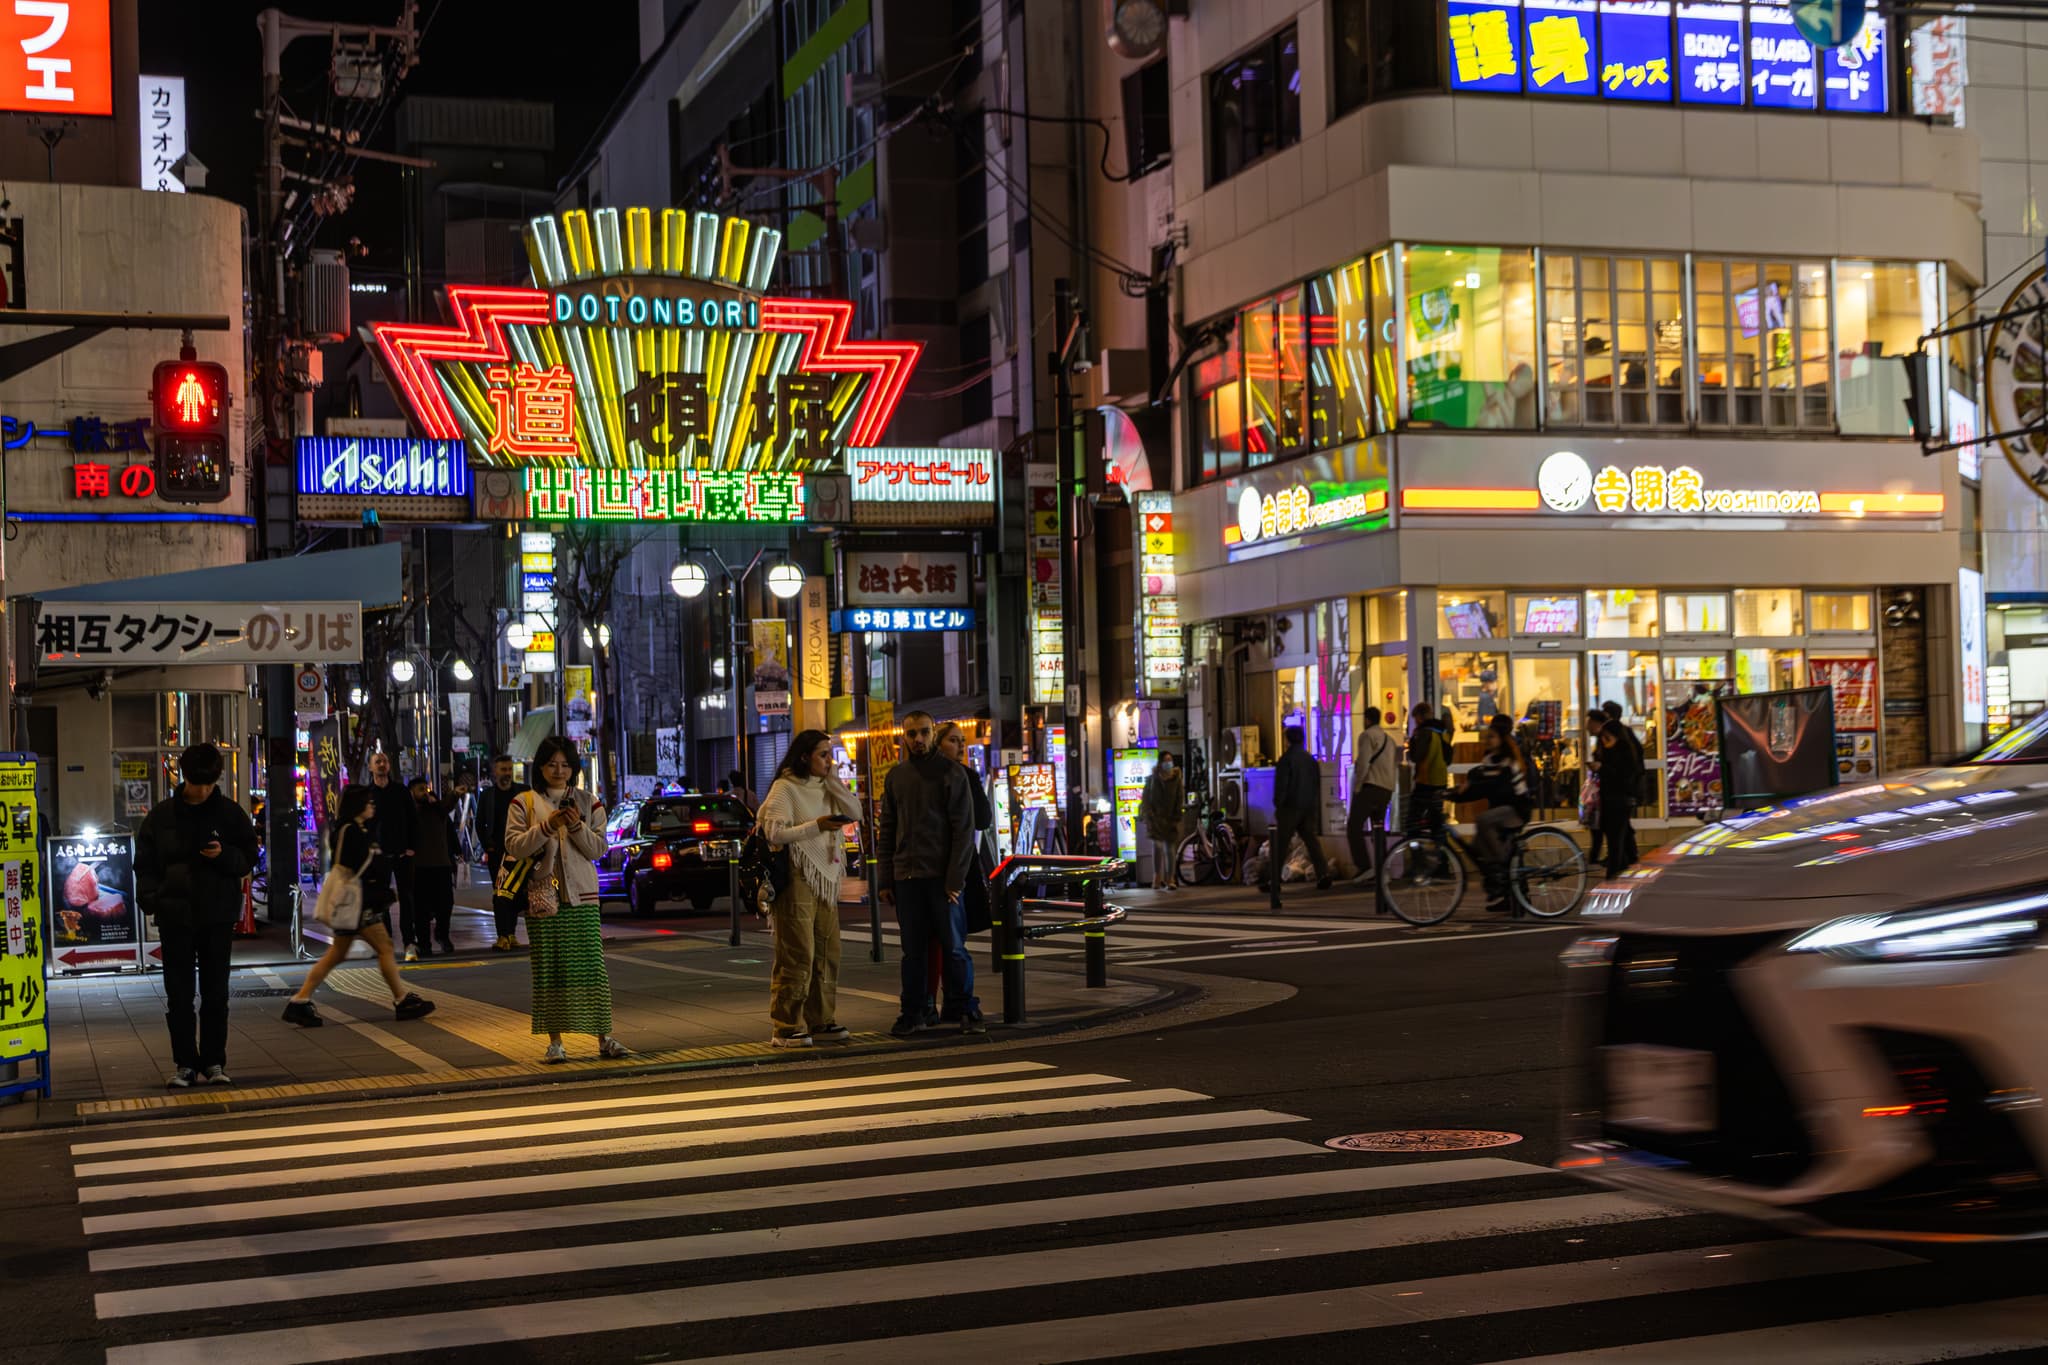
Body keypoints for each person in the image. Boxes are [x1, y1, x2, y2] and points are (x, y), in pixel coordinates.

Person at [134, 743, 260, 1087]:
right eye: (197, 783)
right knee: (179, 995)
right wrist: (154, 900)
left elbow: (248, 855)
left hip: (217, 914)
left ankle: (214, 1062)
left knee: (216, 993)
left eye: (208, 784)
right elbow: (144, 864)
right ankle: (185, 1064)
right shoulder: (162, 816)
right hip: (175, 915)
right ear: (184, 777)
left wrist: (224, 855)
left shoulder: (230, 814)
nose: (203, 791)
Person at [503, 736, 628, 1062]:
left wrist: (574, 826)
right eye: (552, 764)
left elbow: (598, 849)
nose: (559, 771)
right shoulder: (523, 803)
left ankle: (604, 1037)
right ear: (540, 767)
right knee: (549, 971)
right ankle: (555, 1042)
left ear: (574, 768)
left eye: (565, 765)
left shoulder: (589, 803)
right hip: (543, 899)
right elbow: (514, 846)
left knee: (592, 970)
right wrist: (547, 827)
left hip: (583, 897)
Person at [282, 784, 435, 1028]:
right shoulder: (349, 830)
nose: (372, 806)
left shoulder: (356, 828)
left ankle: (299, 1001)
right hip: (356, 902)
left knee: (337, 954)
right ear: (358, 805)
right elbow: (350, 865)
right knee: (384, 947)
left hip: (355, 902)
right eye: (368, 802)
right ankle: (401, 999)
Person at [756, 728, 861, 1048]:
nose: (829, 761)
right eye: (823, 755)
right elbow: (774, 832)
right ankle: (786, 1025)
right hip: (797, 874)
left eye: (830, 755)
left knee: (828, 951)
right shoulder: (785, 788)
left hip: (825, 877)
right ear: (805, 757)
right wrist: (817, 826)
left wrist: (835, 782)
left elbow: (855, 813)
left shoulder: (826, 785)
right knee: (798, 952)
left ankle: (821, 1019)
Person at [877, 709, 977, 1038]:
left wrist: (955, 880)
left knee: (954, 947)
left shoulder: (952, 773)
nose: (918, 739)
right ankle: (914, 1011)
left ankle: (964, 1007)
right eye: (912, 733)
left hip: (941, 877)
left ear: (933, 733)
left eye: (923, 732)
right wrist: (885, 879)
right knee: (913, 951)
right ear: (903, 736)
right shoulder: (897, 776)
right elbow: (887, 829)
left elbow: (964, 830)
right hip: (908, 876)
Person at [926, 722, 995, 1022]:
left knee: (953, 941)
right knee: (934, 941)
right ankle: (933, 1003)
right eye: (953, 740)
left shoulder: (967, 776)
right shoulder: (919, 775)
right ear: (938, 743)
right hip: (930, 866)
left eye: (962, 740)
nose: (961, 746)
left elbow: (983, 819)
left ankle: (956, 1002)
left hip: (961, 866)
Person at [1449, 726, 1533, 912]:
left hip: (1516, 809)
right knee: (1477, 846)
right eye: (1486, 737)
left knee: (1483, 820)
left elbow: (1494, 787)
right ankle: (1502, 887)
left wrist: (1471, 787)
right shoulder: (1489, 760)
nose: (1487, 740)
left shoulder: (1509, 762)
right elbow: (1480, 785)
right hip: (1500, 810)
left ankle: (1503, 865)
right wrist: (1454, 795)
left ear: (1501, 739)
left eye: (1492, 737)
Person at [1263, 725, 1332, 909]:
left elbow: (1281, 786)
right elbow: (1317, 784)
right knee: (1312, 841)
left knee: (1280, 844)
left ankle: (1274, 881)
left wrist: (1278, 804)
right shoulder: (1310, 760)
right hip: (1308, 806)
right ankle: (1323, 874)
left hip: (1290, 807)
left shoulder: (1286, 759)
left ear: (1287, 740)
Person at [364, 749, 419, 958]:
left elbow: (413, 819)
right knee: (381, 900)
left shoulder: (401, 791)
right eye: (377, 761)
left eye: (384, 761)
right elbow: (364, 825)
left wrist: (412, 846)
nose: (382, 764)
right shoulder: (368, 794)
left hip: (403, 853)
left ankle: (409, 942)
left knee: (407, 898)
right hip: (379, 855)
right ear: (370, 767)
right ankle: (385, 942)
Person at [474, 755, 529, 951]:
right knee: (500, 893)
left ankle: (510, 933)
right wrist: (488, 846)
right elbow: (479, 823)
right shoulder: (488, 795)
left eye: (509, 769)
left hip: (520, 851)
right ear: (494, 772)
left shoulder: (523, 791)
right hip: (497, 852)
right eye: (503, 769)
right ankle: (503, 935)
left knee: (517, 892)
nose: (507, 773)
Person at [1348, 708, 1400, 884]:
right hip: (1386, 789)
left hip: (1370, 787)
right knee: (1378, 829)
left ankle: (1364, 867)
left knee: (1354, 827)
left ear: (1367, 719)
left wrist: (1357, 786)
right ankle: (1382, 869)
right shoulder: (1389, 740)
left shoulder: (1366, 736)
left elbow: (1363, 763)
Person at [409, 776, 456, 955]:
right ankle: (424, 942)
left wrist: (454, 794)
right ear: (412, 792)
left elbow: (447, 805)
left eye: (426, 788)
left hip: (441, 864)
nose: (425, 792)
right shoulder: (411, 811)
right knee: (421, 908)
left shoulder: (437, 809)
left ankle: (442, 935)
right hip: (419, 866)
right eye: (420, 789)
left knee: (445, 904)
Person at [1598, 701, 1643, 876]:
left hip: (1621, 793)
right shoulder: (1622, 734)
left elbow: (1625, 768)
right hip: (1623, 792)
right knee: (1623, 828)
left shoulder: (1618, 736)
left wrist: (1602, 767)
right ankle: (1628, 858)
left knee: (1618, 829)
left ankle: (1620, 863)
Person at [1406, 702, 1451, 850]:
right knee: (1436, 822)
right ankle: (1443, 856)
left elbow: (1416, 756)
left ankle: (1416, 855)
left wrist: (1413, 740)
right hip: (1441, 781)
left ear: (1419, 717)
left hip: (1425, 783)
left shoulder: (1424, 732)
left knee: (1412, 822)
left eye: (1415, 719)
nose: (1415, 722)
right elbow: (1448, 758)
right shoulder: (1442, 731)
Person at [1138, 749, 1184, 891]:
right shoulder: (1152, 779)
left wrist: (1177, 815)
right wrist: (1149, 815)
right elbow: (1146, 799)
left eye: (1170, 760)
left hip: (1170, 819)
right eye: (1165, 760)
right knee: (1157, 848)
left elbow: (1179, 798)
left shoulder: (1176, 779)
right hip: (1156, 819)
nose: (1168, 763)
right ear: (1160, 762)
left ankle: (1170, 879)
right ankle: (1157, 877)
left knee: (1170, 849)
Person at [1582, 709, 1608, 866]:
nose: (1587, 727)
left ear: (1596, 723)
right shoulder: (1601, 739)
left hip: (1606, 790)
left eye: (1589, 723)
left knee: (1599, 826)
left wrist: (1599, 767)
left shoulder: (1606, 739)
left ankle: (1595, 858)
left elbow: (1609, 764)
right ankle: (1595, 858)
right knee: (1598, 826)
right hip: (1601, 789)